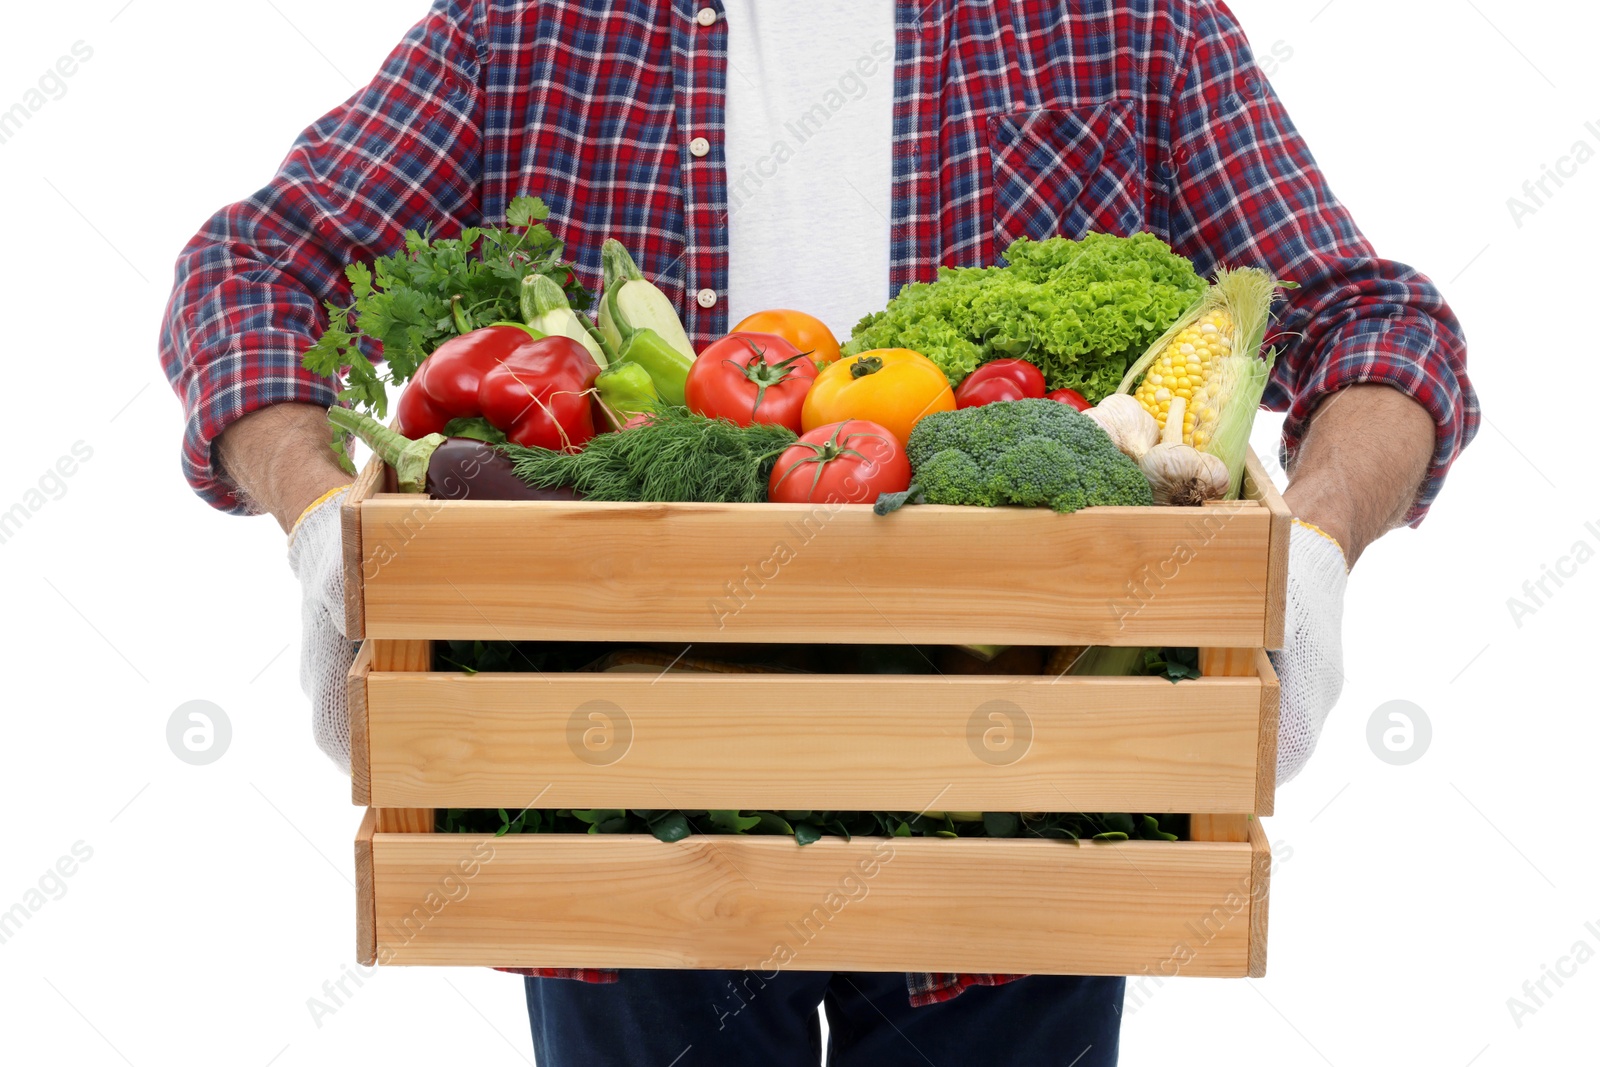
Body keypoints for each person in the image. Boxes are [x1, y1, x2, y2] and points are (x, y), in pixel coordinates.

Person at [158, 2, 1477, 1063]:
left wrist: (1312, 547)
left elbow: (1373, 320)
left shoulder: (1125, 22)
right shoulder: (535, 25)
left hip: (1015, 805)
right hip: (620, 816)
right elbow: (250, 270)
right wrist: (322, 519)